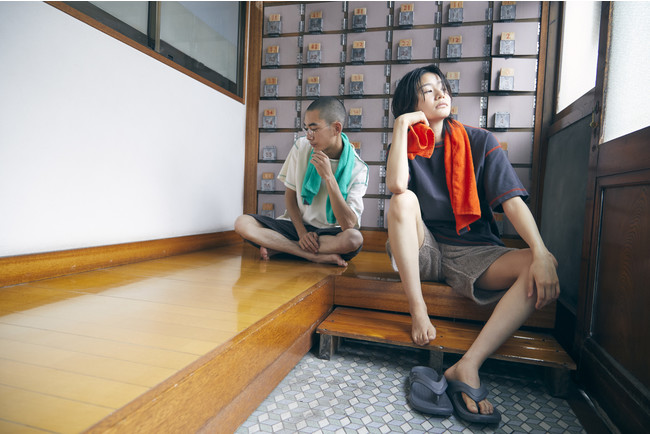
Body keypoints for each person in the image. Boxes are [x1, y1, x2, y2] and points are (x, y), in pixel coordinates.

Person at [386, 65, 559, 423]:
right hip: (426, 249)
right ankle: (418, 307)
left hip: (475, 252)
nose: (441, 94)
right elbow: (397, 187)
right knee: (402, 201)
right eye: (428, 90)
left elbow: (512, 204)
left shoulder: (481, 141)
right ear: (410, 105)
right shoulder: (405, 145)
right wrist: (401, 127)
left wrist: (541, 253)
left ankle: (468, 365)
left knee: (540, 263)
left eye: (443, 87)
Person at [235, 97, 369, 267]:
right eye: (306, 129)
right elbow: (290, 197)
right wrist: (302, 233)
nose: (309, 136)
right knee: (242, 223)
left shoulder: (359, 168)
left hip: (330, 233)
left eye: (314, 129)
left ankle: (281, 247)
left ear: (336, 128)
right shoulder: (301, 147)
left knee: (353, 239)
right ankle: (311, 255)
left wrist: (329, 177)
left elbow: (348, 224)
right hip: (297, 227)